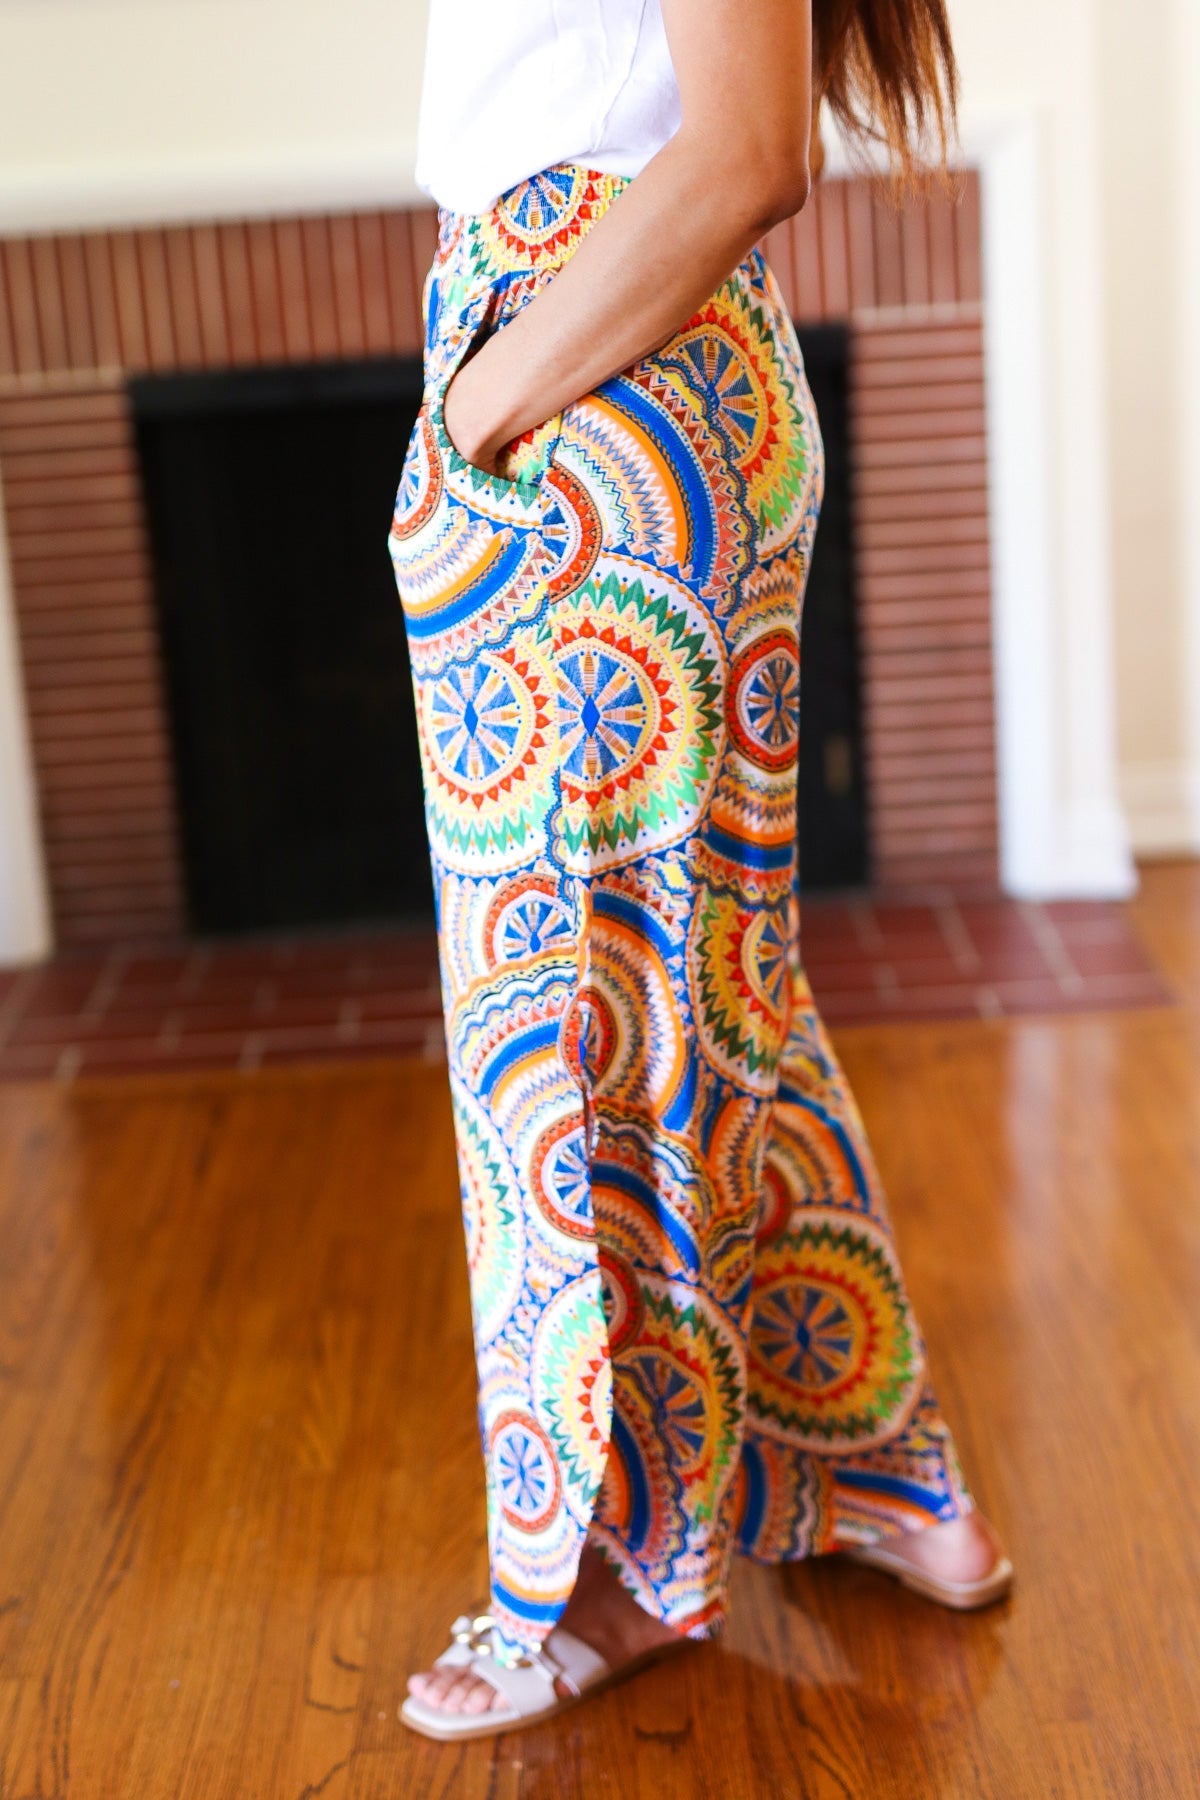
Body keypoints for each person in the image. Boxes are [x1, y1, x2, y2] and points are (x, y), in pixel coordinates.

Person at [388, 0, 1012, 1742]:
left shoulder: (543, 353)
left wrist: (479, 411)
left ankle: (608, 1566)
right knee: (703, 985)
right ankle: (877, 1467)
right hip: (645, 368)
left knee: (561, 1022)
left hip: (583, 373)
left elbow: (749, 151)